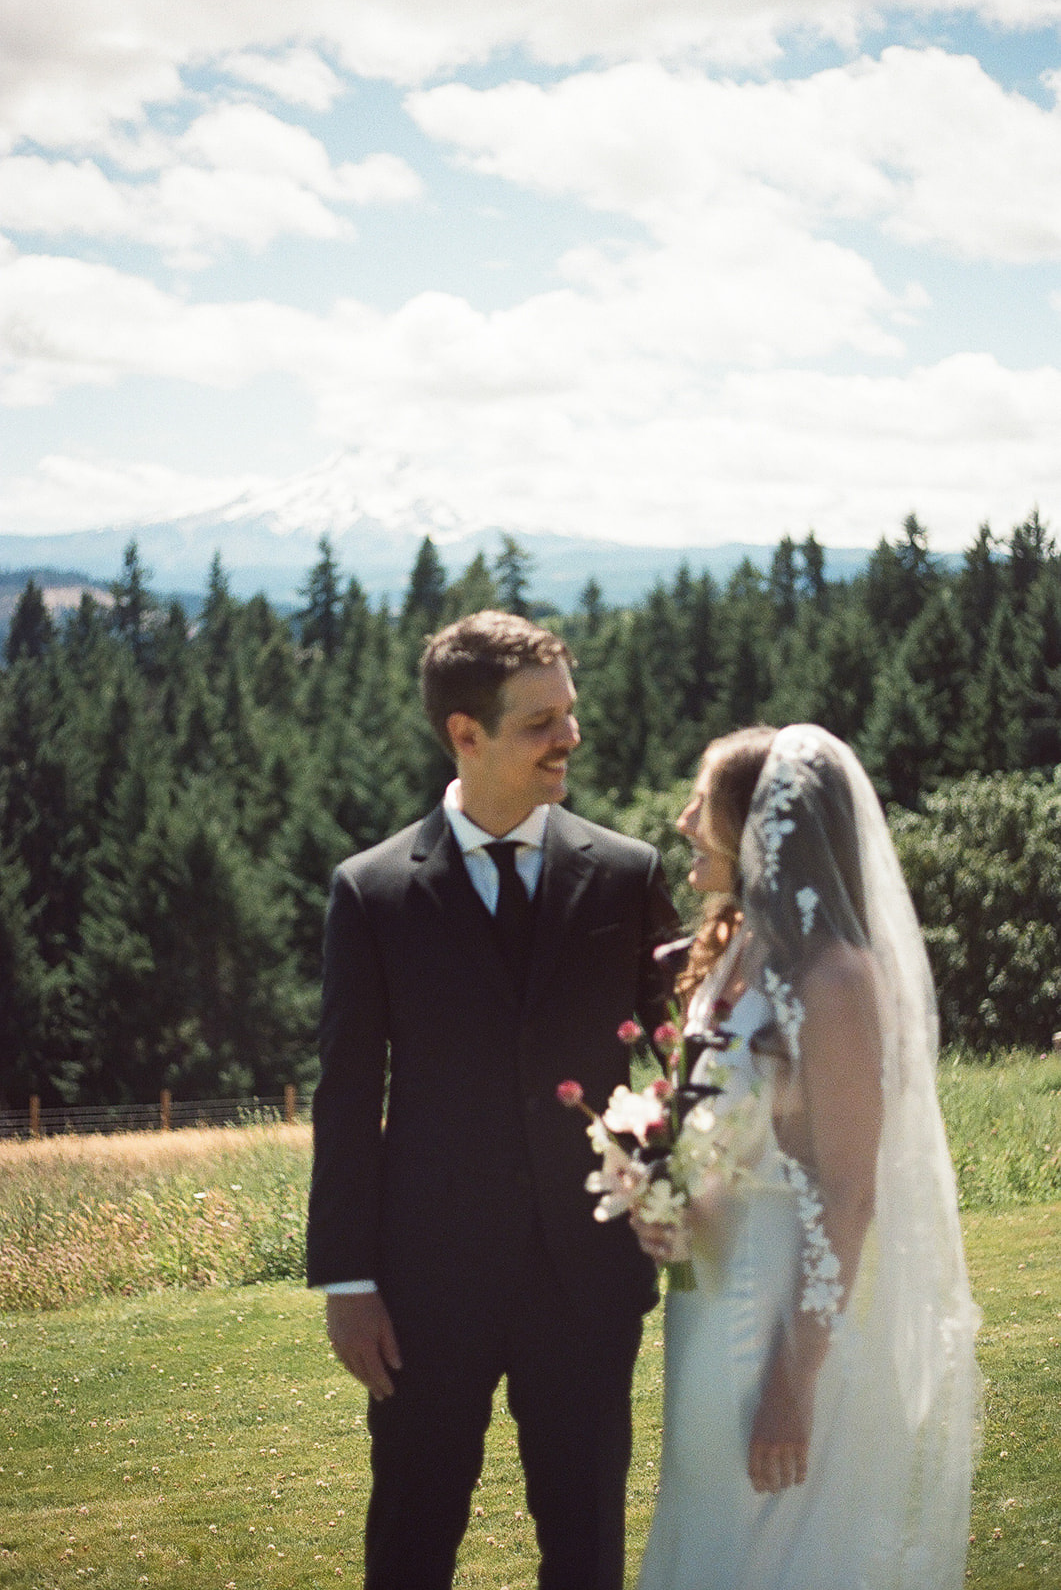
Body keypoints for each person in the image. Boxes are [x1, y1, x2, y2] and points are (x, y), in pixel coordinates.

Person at [306, 610, 680, 1590]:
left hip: (588, 1278)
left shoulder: (628, 874)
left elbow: (679, 1061)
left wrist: (666, 1182)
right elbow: (346, 1094)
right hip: (424, 1288)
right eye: (538, 722)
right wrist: (345, 1281)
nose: (569, 738)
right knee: (411, 1541)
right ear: (463, 734)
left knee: (587, 1547)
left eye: (570, 712)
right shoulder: (371, 891)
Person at [633, 723, 980, 1590]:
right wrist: (664, 1191)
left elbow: (849, 1191)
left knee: (770, 1544)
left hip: (774, 1306)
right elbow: (728, 1130)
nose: (682, 821)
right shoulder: (743, 949)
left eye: (700, 801)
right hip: (707, 1297)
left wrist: (793, 1377)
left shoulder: (834, 979)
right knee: (708, 1526)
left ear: (758, 825)